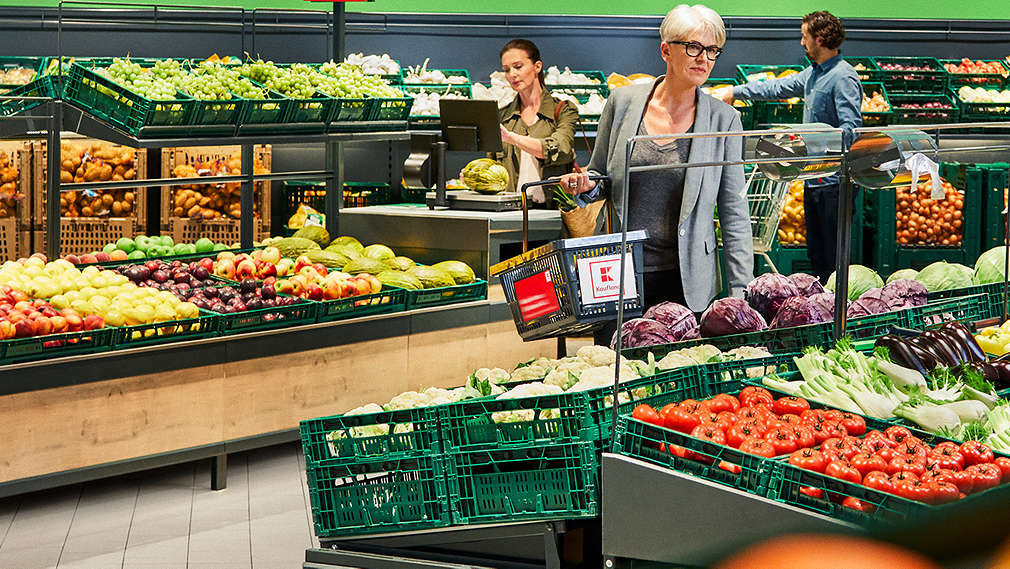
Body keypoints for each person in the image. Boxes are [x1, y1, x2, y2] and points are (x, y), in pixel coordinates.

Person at [559, 4, 753, 343]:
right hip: (619, 274)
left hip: (688, 280)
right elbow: (601, 175)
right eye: (693, 47)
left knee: (679, 383)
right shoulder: (622, 103)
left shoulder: (724, 121)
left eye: (712, 51)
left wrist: (739, 295)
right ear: (666, 50)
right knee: (613, 371)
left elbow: (735, 215)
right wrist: (586, 184)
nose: (703, 58)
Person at [714, 11, 862, 282]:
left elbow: (850, 131)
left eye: (805, 37)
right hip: (814, 180)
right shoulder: (813, 74)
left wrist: (817, 142)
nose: (802, 43)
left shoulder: (843, 77)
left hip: (835, 185)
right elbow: (777, 88)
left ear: (819, 39)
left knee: (833, 259)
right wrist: (735, 92)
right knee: (818, 255)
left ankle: (838, 314)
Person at [495, 39, 579, 203]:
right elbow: (493, 166)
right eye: (506, 70)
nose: (512, 74)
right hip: (510, 213)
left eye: (518, 67)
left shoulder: (563, 110)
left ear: (537, 67)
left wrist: (513, 138)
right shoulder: (502, 117)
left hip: (553, 213)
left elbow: (561, 148)